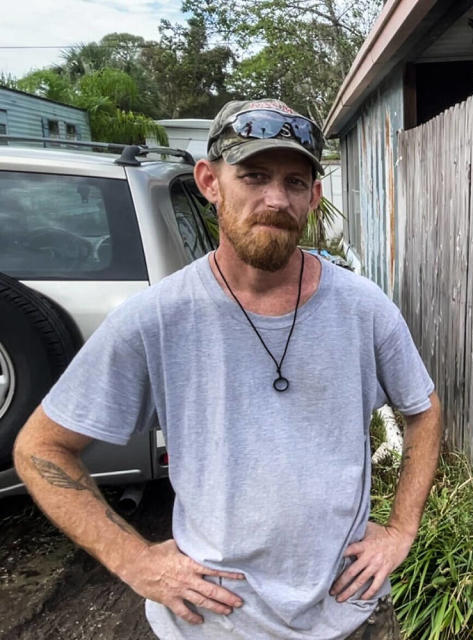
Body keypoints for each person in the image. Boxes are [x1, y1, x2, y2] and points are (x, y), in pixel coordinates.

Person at [13, 99, 442, 640]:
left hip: (349, 614)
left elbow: (422, 410)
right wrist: (135, 561)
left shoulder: (364, 308)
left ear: (315, 195)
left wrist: (401, 531)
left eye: (293, 181)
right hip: (211, 626)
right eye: (253, 176)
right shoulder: (157, 319)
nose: (274, 199)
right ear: (210, 182)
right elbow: (40, 447)